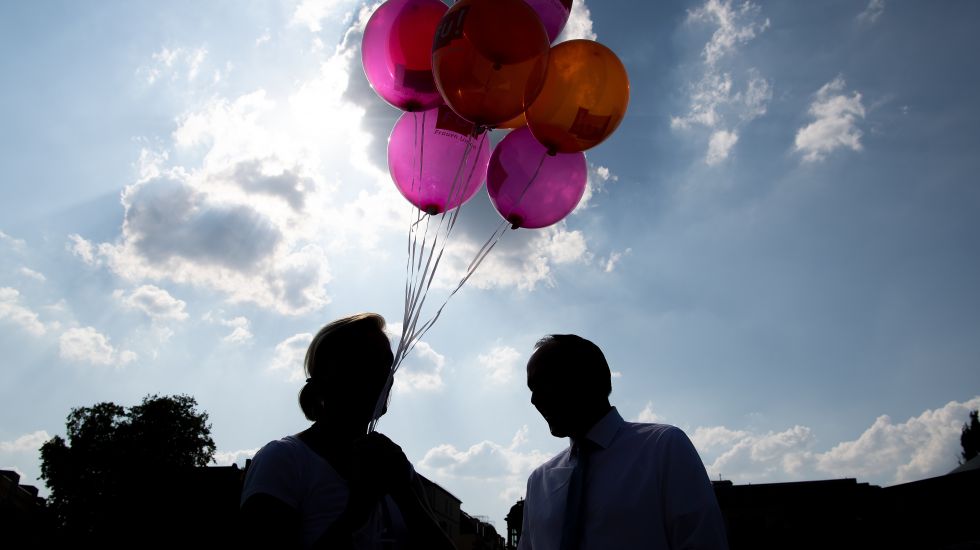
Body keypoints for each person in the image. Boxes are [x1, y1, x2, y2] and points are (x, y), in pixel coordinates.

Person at [240, 313, 456, 550]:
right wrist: (359, 506)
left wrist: (404, 493)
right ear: (331, 375)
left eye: (388, 363)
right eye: (369, 361)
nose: (386, 375)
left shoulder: (398, 469)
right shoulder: (284, 460)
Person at [518, 334, 728, 550]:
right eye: (532, 389)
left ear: (586, 377)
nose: (534, 400)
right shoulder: (538, 481)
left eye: (543, 383)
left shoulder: (665, 448)